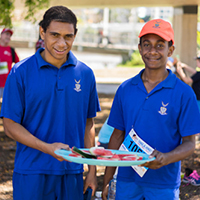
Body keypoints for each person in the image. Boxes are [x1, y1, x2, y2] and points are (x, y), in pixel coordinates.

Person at [1, 6, 100, 200]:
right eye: (55, 35)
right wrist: (48, 148)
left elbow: (88, 124)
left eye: (68, 36)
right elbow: (10, 126)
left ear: (75, 35)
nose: (61, 43)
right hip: (31, 172)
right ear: (42, 32)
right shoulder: (20, 72)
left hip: (72, 172)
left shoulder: (85, 74)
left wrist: (92, 170)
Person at [102, 19, 200, 200]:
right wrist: (108, 179)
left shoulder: (184, 93)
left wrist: (165, 158)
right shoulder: (125, 89)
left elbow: (189, 143)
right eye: (147, 45)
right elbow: (116, 136)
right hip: (127, 180)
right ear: (139, 48)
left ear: (170, 50)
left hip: (163, 184)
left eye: (159, 45)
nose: (152, 51)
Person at [0, 28, 19, 100]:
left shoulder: (11, 50)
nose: (8, 37)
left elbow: (18, 65)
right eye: (6, 34)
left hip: (7, 84)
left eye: (10, 35)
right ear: (1, 35)